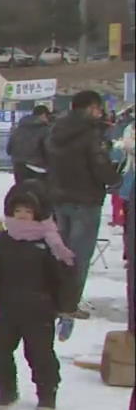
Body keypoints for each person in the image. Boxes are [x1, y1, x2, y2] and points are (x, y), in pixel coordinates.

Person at [0, 187, 80, 410]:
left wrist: (67, 312)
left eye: (27, 211)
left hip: (39, 311)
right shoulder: (3, 241)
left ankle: (47, 394)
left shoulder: (50, 242)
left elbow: (64, 279)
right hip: (8, 309)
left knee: (40, 355)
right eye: (18, 210)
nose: (22, 215)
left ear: (37, 214)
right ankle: (7, 390)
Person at [46, 90, 121, 308]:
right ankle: (69, 303)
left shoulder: (56, 129)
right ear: (90, 108)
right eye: (98, 108)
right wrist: (115, 179)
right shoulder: (91, 133)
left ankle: (57, 296)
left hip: (60, 197)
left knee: (62, 251)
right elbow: (99, 165)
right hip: (86, 199)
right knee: (79, 255)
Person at [7, 105, 51, 183]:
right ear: (43, 115)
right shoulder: (45, 130)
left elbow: (9, 150)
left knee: (22, 191)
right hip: (38, 169)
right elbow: (48, 150)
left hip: (18, 167)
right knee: (38, 193)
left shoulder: (18, 129)